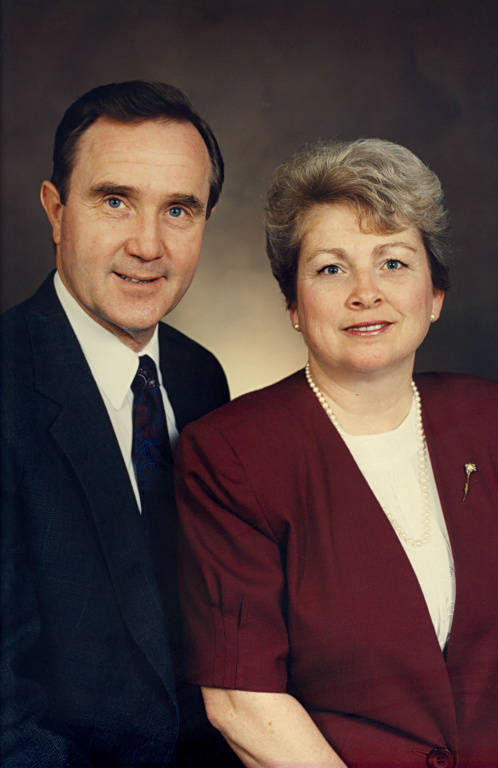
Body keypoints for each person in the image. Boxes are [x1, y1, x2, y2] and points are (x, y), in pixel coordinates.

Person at [174, 139, 498, 768]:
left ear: (435, 294)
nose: (365, 293)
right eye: (330, 268)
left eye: (394, 263)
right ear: (293, 305)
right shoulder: (232, 455)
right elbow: (243, 703)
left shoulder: (487, 418)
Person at [0, 80, 239, 767]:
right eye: (115, 201)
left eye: (179, 211)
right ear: (56, 211)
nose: (147, 245)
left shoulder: (200, 378)